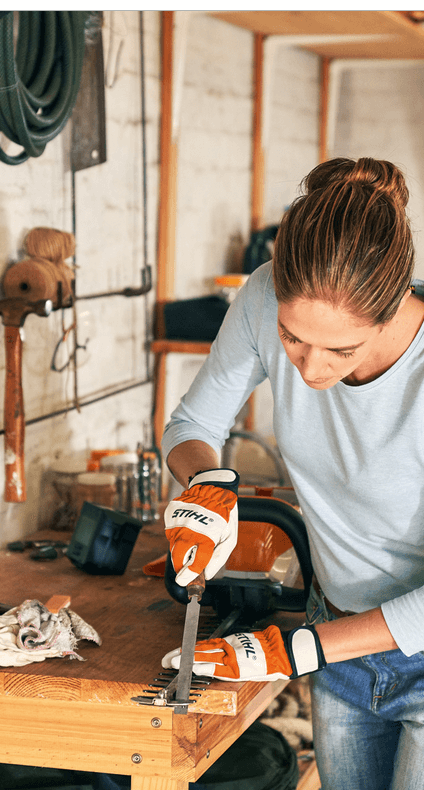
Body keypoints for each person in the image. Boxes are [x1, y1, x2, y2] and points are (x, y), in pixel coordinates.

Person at [160, 157, 424, 790]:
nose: (308, 370)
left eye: (341, 350)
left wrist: (297, 650)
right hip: (334, 636)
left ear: (394, 310)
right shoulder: (261, 293)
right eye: (291, 337)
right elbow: (190, 425)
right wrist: (205, 488)